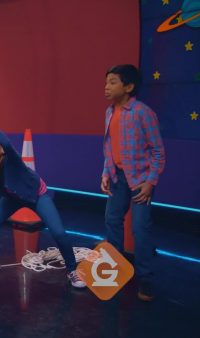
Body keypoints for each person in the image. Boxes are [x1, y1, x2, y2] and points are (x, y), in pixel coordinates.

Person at [0, 107, 85, 288]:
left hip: (36, 195)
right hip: (13, 198)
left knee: (58, 232)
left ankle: (72, 270)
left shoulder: (12, 159)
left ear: (2, 150)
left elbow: (5, 142)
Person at [101, 64, 165, 301]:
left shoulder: (142, 112)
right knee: (112, 221)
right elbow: (109, 147)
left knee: (140, 228)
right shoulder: (109, 112)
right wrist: (106, 172)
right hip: (117, 178)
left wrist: (150, 183)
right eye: (106, 82)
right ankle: (115, 270)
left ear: (129, 86)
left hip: (140, 181)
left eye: (113, 82)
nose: (106, 87)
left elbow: (158, 151)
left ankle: (145, 279)